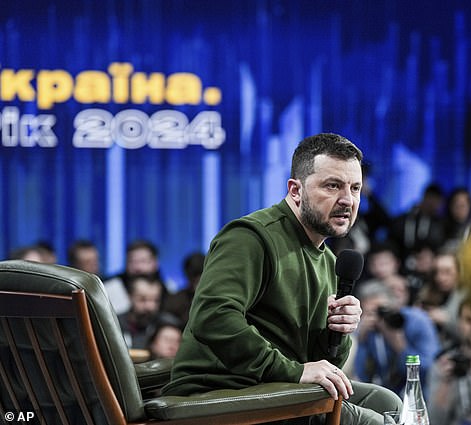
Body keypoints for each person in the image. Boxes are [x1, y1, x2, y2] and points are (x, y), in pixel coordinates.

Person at [163, 133, 402, 424]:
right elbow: (212, 317)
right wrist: (294, 372)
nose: (347, 200)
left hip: (275, 385)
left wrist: (337, 332)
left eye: (355, 188)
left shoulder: (329, 261)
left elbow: (322, 364)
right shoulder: (250, 237)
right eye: (333, 186)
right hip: (221, 388)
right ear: (295, 190)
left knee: (388, 402)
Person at [354, 281, 439, 396]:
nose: (377, 318)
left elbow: (429, 370)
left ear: (394, 305)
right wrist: (362, 340)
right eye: (370, 313)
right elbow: (362, 376)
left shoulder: (418, 321)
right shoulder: (370, 329)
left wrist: (401, 347)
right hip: (387, 398)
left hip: (420, 395)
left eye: (381, 311)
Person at [103, 239, 174, 315]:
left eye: (143, 261)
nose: (138, 268)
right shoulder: (110, 288)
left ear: (155, 263)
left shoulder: (169, 287)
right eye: (132, 262)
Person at [414, 246, 467, 348]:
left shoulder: (467, 297)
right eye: (436, 272)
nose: (440, 278)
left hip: (454, 355)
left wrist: (446, 321)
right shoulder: (427, 292)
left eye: (447, 272)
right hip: (427, 352)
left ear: (460, 272)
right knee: (411, 359)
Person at [388, 183, 446, 263]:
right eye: (430, 198)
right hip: (404, 261)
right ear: (424, 197)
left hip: (430, 263)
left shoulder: (441, 223)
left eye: (436, 200)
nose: (432, 203)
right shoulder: (407, 218)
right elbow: (394, 232)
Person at [117, 274, 178, 350]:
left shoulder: (167, 325)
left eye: (156, 300)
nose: (150, 306)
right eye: (143, 299)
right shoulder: (115, 324)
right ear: (130, 297)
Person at [163, 251, 205, 325]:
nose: (198, 285)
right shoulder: (174, 301)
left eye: (202, 279)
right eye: (195, 279)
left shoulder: (218, 298)